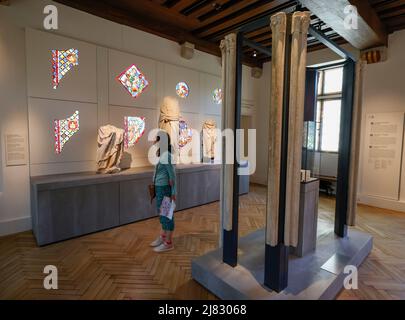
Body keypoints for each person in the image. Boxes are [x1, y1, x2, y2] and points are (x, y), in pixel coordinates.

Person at [150, 131, 176, 253]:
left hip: (165, 188)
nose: (156, 142)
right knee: (163, 214)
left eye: (158, 139)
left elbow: (172, 176)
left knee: (166, 215)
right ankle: (163, 236)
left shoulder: (166, 156)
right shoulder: (163, 154)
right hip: (160, 188)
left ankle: (168, 243)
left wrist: (173, 193)